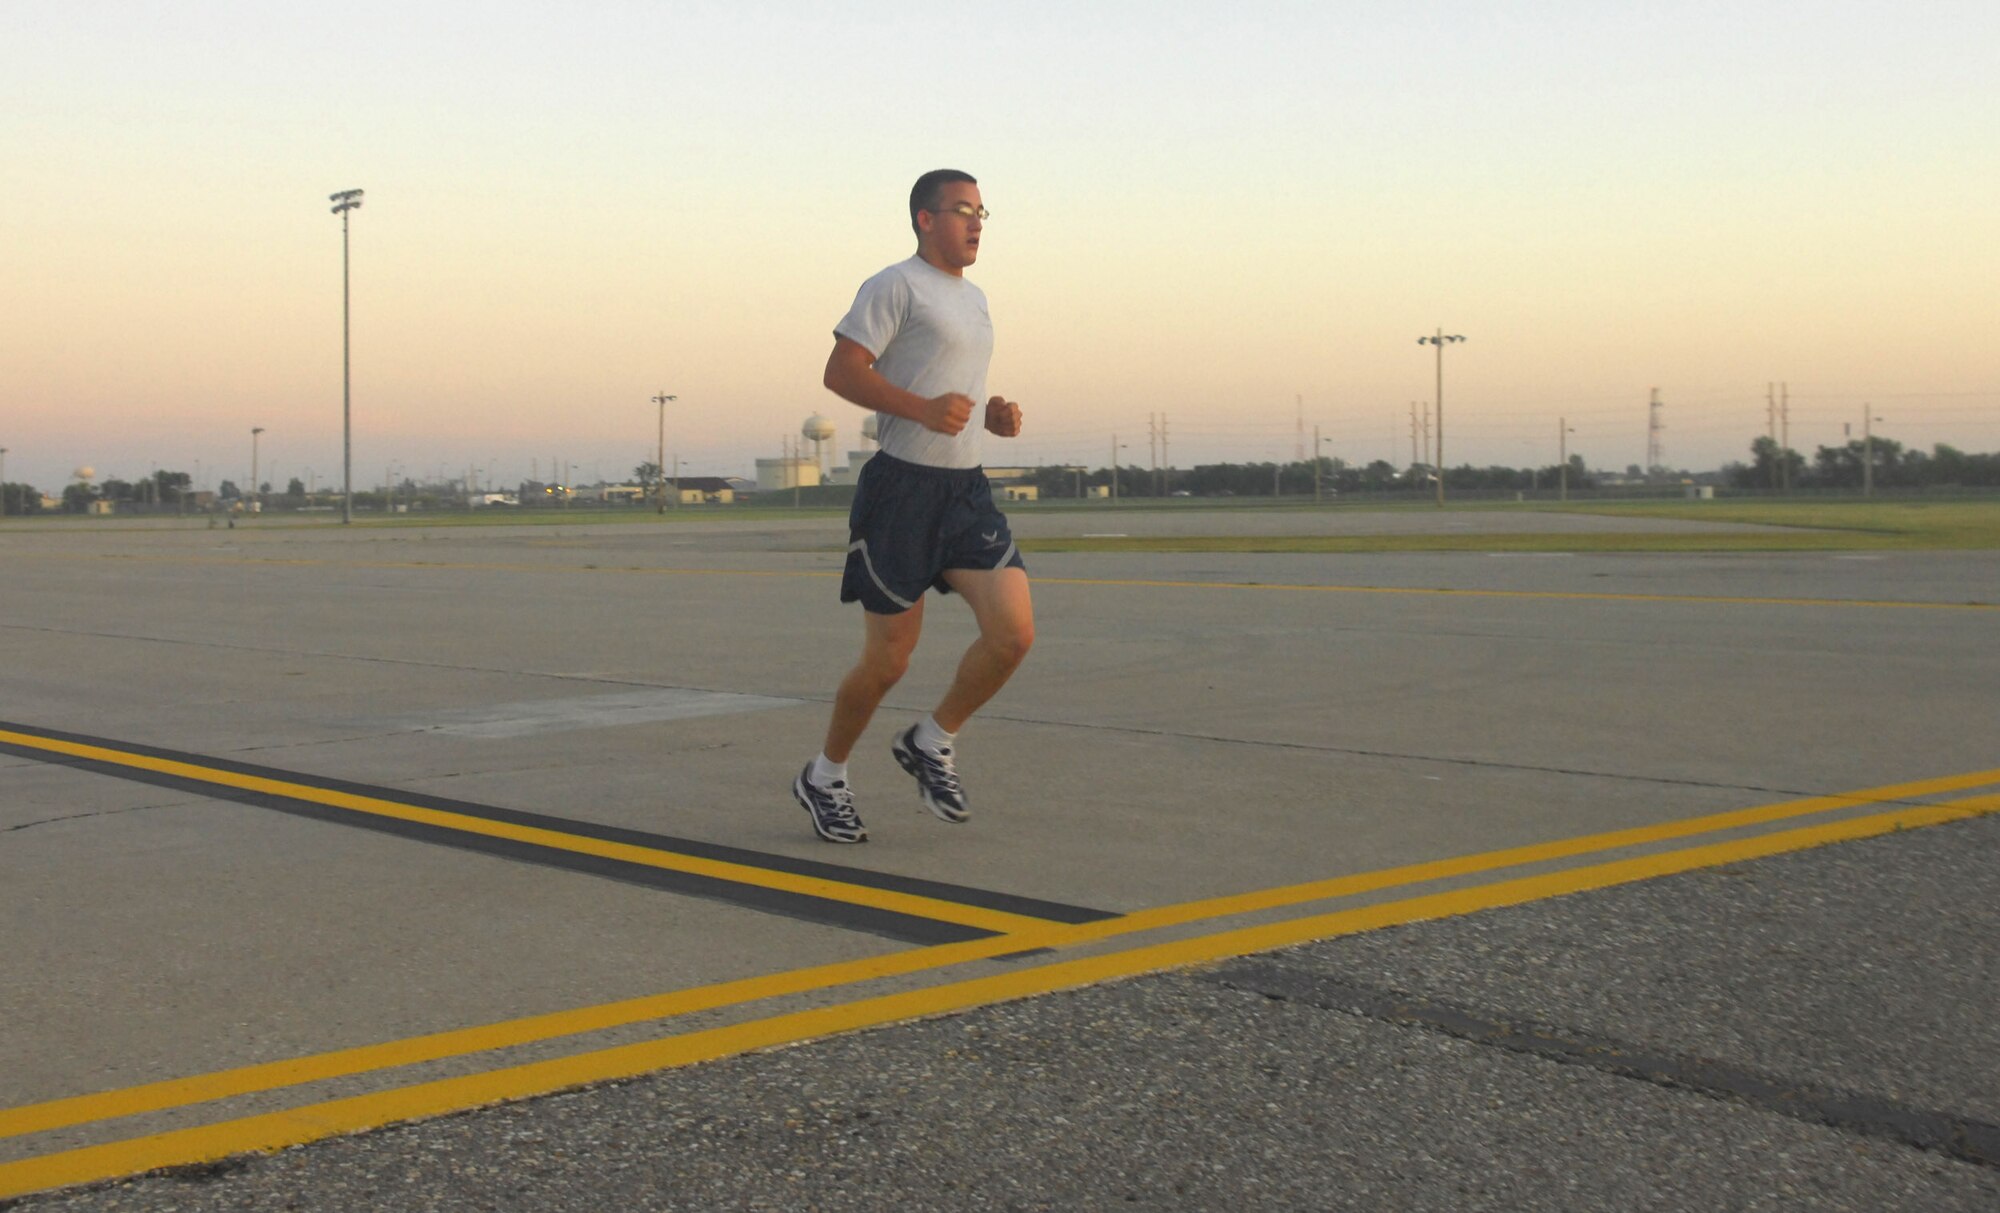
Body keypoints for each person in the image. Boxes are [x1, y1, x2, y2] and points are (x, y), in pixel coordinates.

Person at [792, 169, 1033, 843]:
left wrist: (993, 414)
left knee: (1014, 633)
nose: (977, 221)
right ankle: (825, 775)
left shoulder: (976, 298)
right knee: (888, 661)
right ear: (926, 219)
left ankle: (932, 738)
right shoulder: (893, 285)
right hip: (902, 491)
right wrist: (922, 409)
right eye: (962, 210)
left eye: (983, 210)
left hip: (965, 492)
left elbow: (951, 386)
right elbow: (842, 371)